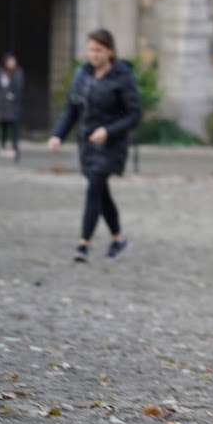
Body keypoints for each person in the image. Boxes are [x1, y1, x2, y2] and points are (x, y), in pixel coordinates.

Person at [49, 29, 141, 262]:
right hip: (87, 144)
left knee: (95, 187)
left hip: (112, 145)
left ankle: (83, 244)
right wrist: (58, 135)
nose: (94, 54)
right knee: (100, 191)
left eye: (99, 50)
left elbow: (134, 114)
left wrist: (108, 131)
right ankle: (119, 240)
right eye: (91, 49)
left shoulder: (123, 76)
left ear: (110, 51)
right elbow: (71, 108)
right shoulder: (82, 74)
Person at [0, 53, 24, 161]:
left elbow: (19, 87)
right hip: (2, 104)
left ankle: (15, 148)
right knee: (3, 127)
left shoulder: (18, 73)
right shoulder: (0, 72)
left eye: (13, 61)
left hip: (13, 105)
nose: (12, 63)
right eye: (10, 61)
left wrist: (12, 95)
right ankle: (2, 146)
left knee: (14, 127)